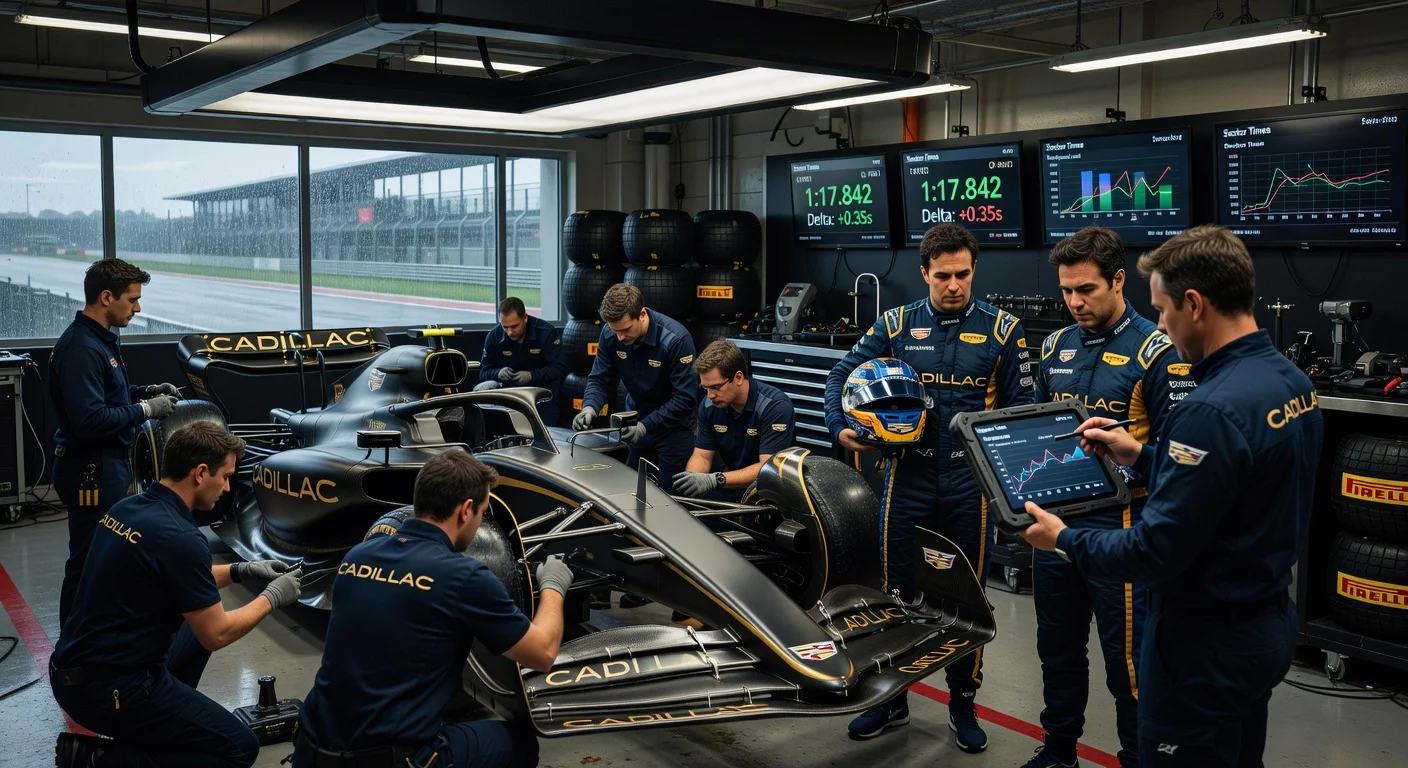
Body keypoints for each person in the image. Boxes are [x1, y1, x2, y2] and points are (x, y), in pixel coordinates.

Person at [1020, 225, 1321, 767]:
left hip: (1203, 642)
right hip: (1263, 623)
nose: (1160, 322)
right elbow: (1228, 482)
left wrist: (1065, 538)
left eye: (1162, 309)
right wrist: (1140, 454)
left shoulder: (1206, 410)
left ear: (1194, 303)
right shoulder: (1290, 381)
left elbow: (1155, 550)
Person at [823, 223, 1033, 749]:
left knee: (967, 601)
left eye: (963, 274)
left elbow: (1019, 416)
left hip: (969, 488)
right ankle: (891, 700)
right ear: (925, 274)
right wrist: (841, 428)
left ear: (973, 271)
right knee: (896, 596)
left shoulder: (1004, 330)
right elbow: (839, 378)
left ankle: (963, 704)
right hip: (907, 480)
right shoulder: (895, 324)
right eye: (943, 276)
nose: (954, 284)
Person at [1024, 227, 1191, 768]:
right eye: (1067, 291)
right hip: (1056, 530)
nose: (1074, 302)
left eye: (1087, 290)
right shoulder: (1054, 346)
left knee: (1131, 667)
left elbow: (1179, 457)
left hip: (1123, 533)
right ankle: (1058, 751)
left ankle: (1136, 758)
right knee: (1058, 651)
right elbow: (1033, 432)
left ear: (1120, 280)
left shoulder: (1158, 352)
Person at [294, 449, 570, 768]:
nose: (481, 519)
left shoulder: (357, 556)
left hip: (310, 749)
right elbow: (544, 652)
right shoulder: (463, 576)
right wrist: (553, 585)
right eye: (483, 512)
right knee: (521, 745)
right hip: (388, 760)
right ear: (466, 510)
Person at [52, 421, 304, 768]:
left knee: (191, 632)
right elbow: (216, 633)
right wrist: (272, 597)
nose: (228, 487)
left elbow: (179, 577)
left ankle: (162, 722)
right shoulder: (181, 538)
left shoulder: (126, 509)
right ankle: (100, 759)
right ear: (200, 473)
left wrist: (239, 571)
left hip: (74, 669)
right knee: (239, 747)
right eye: (226, 476)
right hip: (109, 690)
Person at [49, 258, 181, 626]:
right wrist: (146, 409)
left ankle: (91, 639)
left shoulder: (98, 341)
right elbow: (91, 420)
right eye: (132, 299)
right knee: (89, 561)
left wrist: (147, 393)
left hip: (105, 465)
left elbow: (110, 399)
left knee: (102, 558)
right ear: (106, 297)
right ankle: (74, 652)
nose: (138, 308)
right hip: (91, 468)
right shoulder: (82, 349)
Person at [573, 283, 698, 495]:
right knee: (631, 491)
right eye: (615, 331)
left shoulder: (676, 340)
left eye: (625, 330)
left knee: (672, 496)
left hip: (675, 427)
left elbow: (685, 398)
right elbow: (600, 378)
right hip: (635, 423)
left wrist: (646, 425)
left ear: (642, 314)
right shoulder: (610, 333)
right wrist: (590, 407)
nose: (620, 337)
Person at [673, 339, 796, 500]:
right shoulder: (710, 406)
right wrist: (692, 482)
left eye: (716, 387)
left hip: (771, 492)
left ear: (738, 377)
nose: (709, 395)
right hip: (731, 483)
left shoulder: (775, 407)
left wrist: (716, 479)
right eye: (705, 388)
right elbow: (702, 456)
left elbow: (768, 469)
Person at [474, 297, 568, 424]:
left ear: (525, 318)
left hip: (542, 390)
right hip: (508, 391)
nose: (509, 332)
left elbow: (559, 368)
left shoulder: (546, 332)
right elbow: (484, 372)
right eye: (505, 327)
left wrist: (531, 375)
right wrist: (498, 373)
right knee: (482, 388)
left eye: (514, 326)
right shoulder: (494, 336)